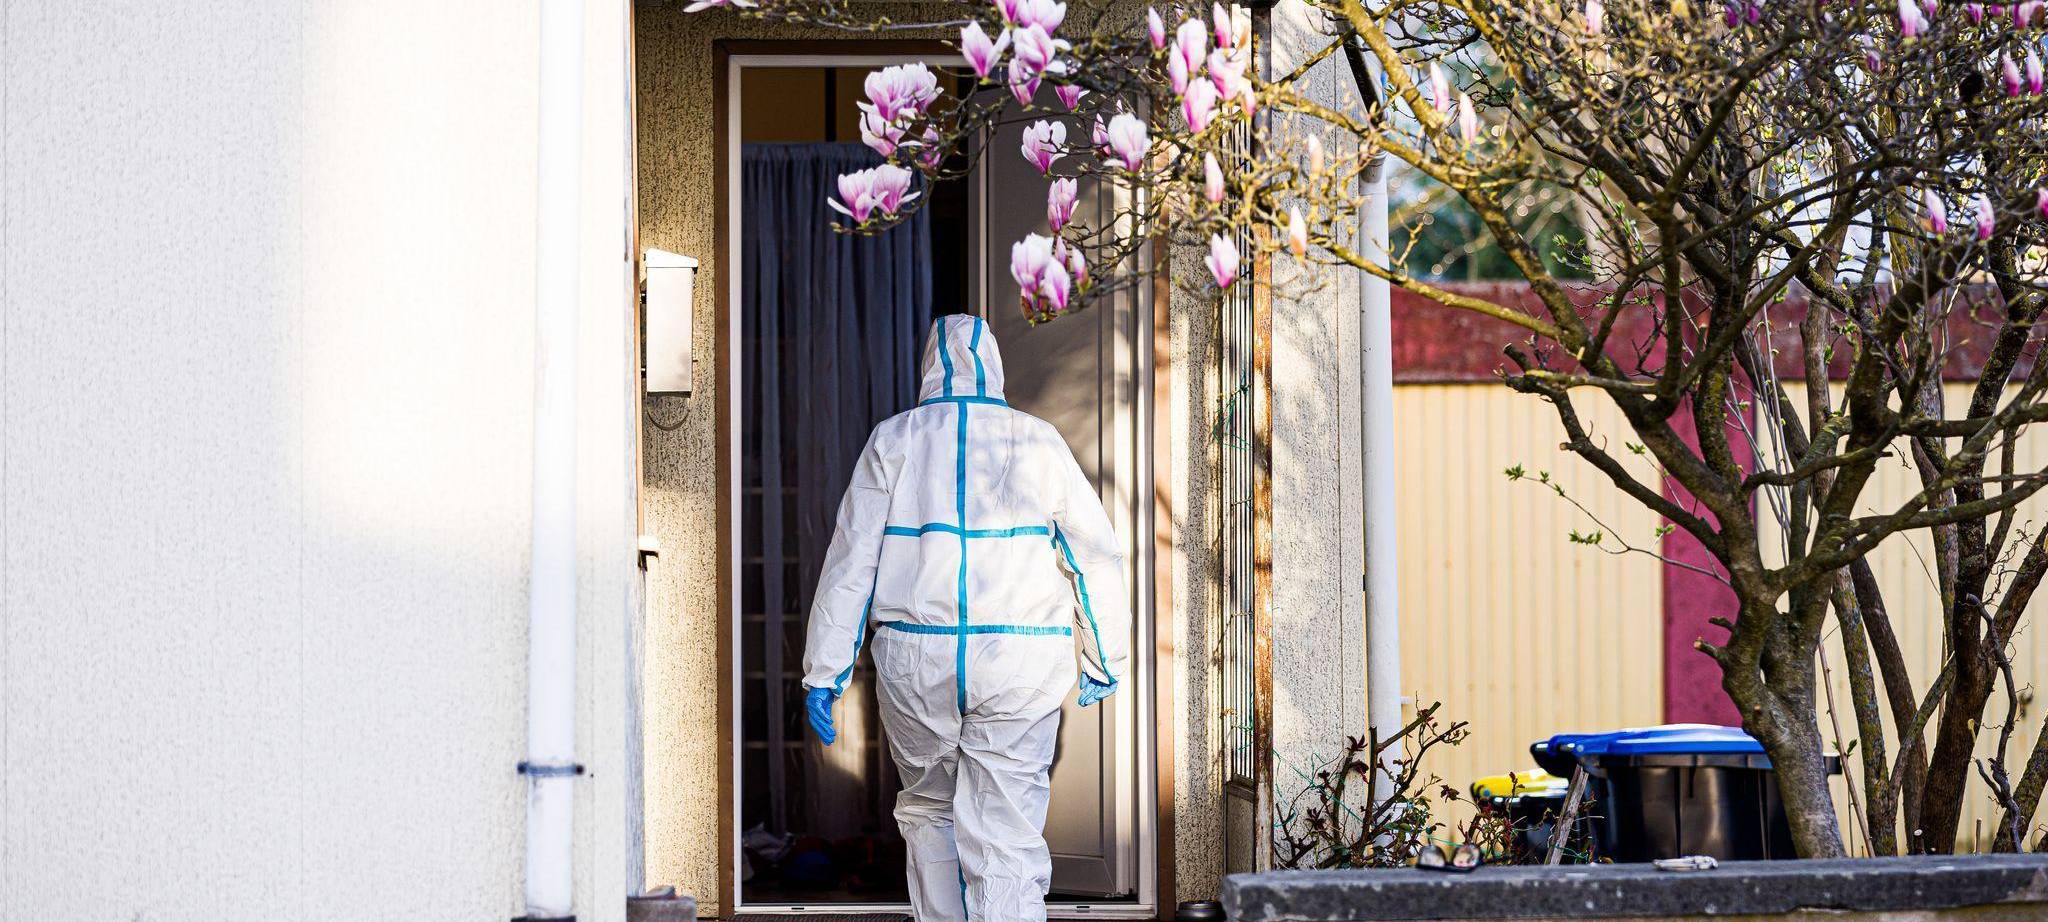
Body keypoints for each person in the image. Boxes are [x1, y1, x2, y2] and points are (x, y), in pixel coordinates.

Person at [800, 313, 1129, 922]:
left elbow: (851, 556)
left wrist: (825, 669)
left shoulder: (893, 439)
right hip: (1019, 661)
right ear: (996, 368)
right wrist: (1105, 654)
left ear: (928, 368)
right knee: (1005, 827)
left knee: (929, 811)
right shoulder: (1037, 440)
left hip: (916, 662)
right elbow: (1093, 552)